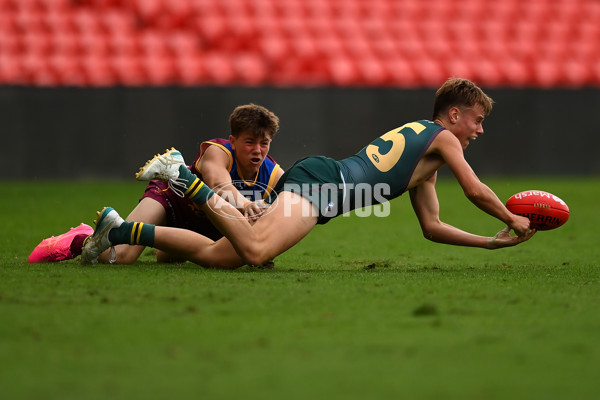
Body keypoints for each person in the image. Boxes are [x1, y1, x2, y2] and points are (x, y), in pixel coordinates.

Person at [80, 78, 535, 269]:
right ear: (454, 114)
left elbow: (432, 228)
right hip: (325, 187)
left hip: (323, 180)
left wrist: (489, 243)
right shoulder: (445, 138)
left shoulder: (426, 156)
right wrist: (510, 218)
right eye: (476, 119)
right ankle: (184, 179)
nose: (479, 129)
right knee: (257, 252)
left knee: (225, 255)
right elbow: (475, 190)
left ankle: (122, 232)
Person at [29, 103, 283, 264]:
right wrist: (244, 203)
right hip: (171, 199)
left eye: (265, 143)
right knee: (123, 256)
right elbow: (220, 184)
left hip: (205, 223)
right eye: (250, 142)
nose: (258, 150)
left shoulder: (273, 174)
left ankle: (161, 246)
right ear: (233, 140)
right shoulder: (219, 152)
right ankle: (80, 237)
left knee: (168, 259)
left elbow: (279, 218)